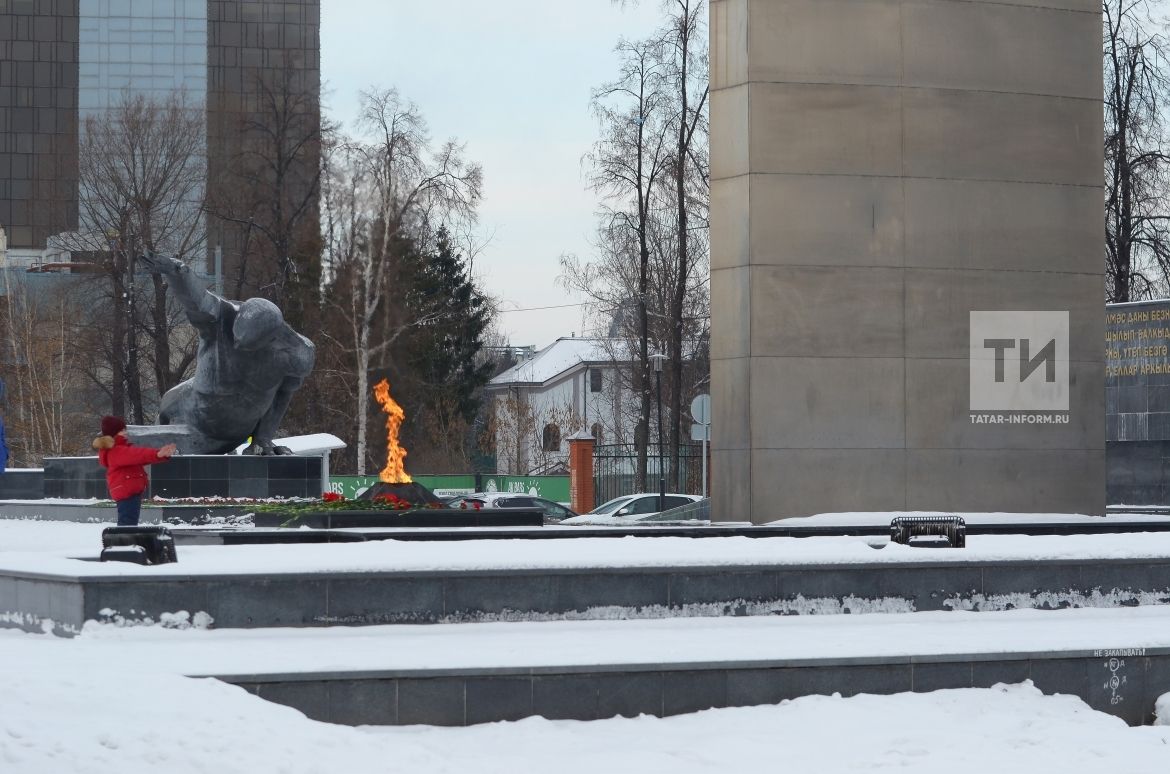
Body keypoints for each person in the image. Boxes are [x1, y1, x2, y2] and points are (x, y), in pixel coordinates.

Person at [92, 415, 176, 526]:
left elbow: (138, 458)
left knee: (128, 523)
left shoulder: (118, 449)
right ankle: (123, 542)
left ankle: (125, 541)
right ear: (114, 433)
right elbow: (137, 455)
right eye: (122, 430)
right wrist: (158, 453)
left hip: (127, 491)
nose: (126, 432)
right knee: (127, 524)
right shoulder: (116, 451)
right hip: (127, 492)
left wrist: (159, 455)